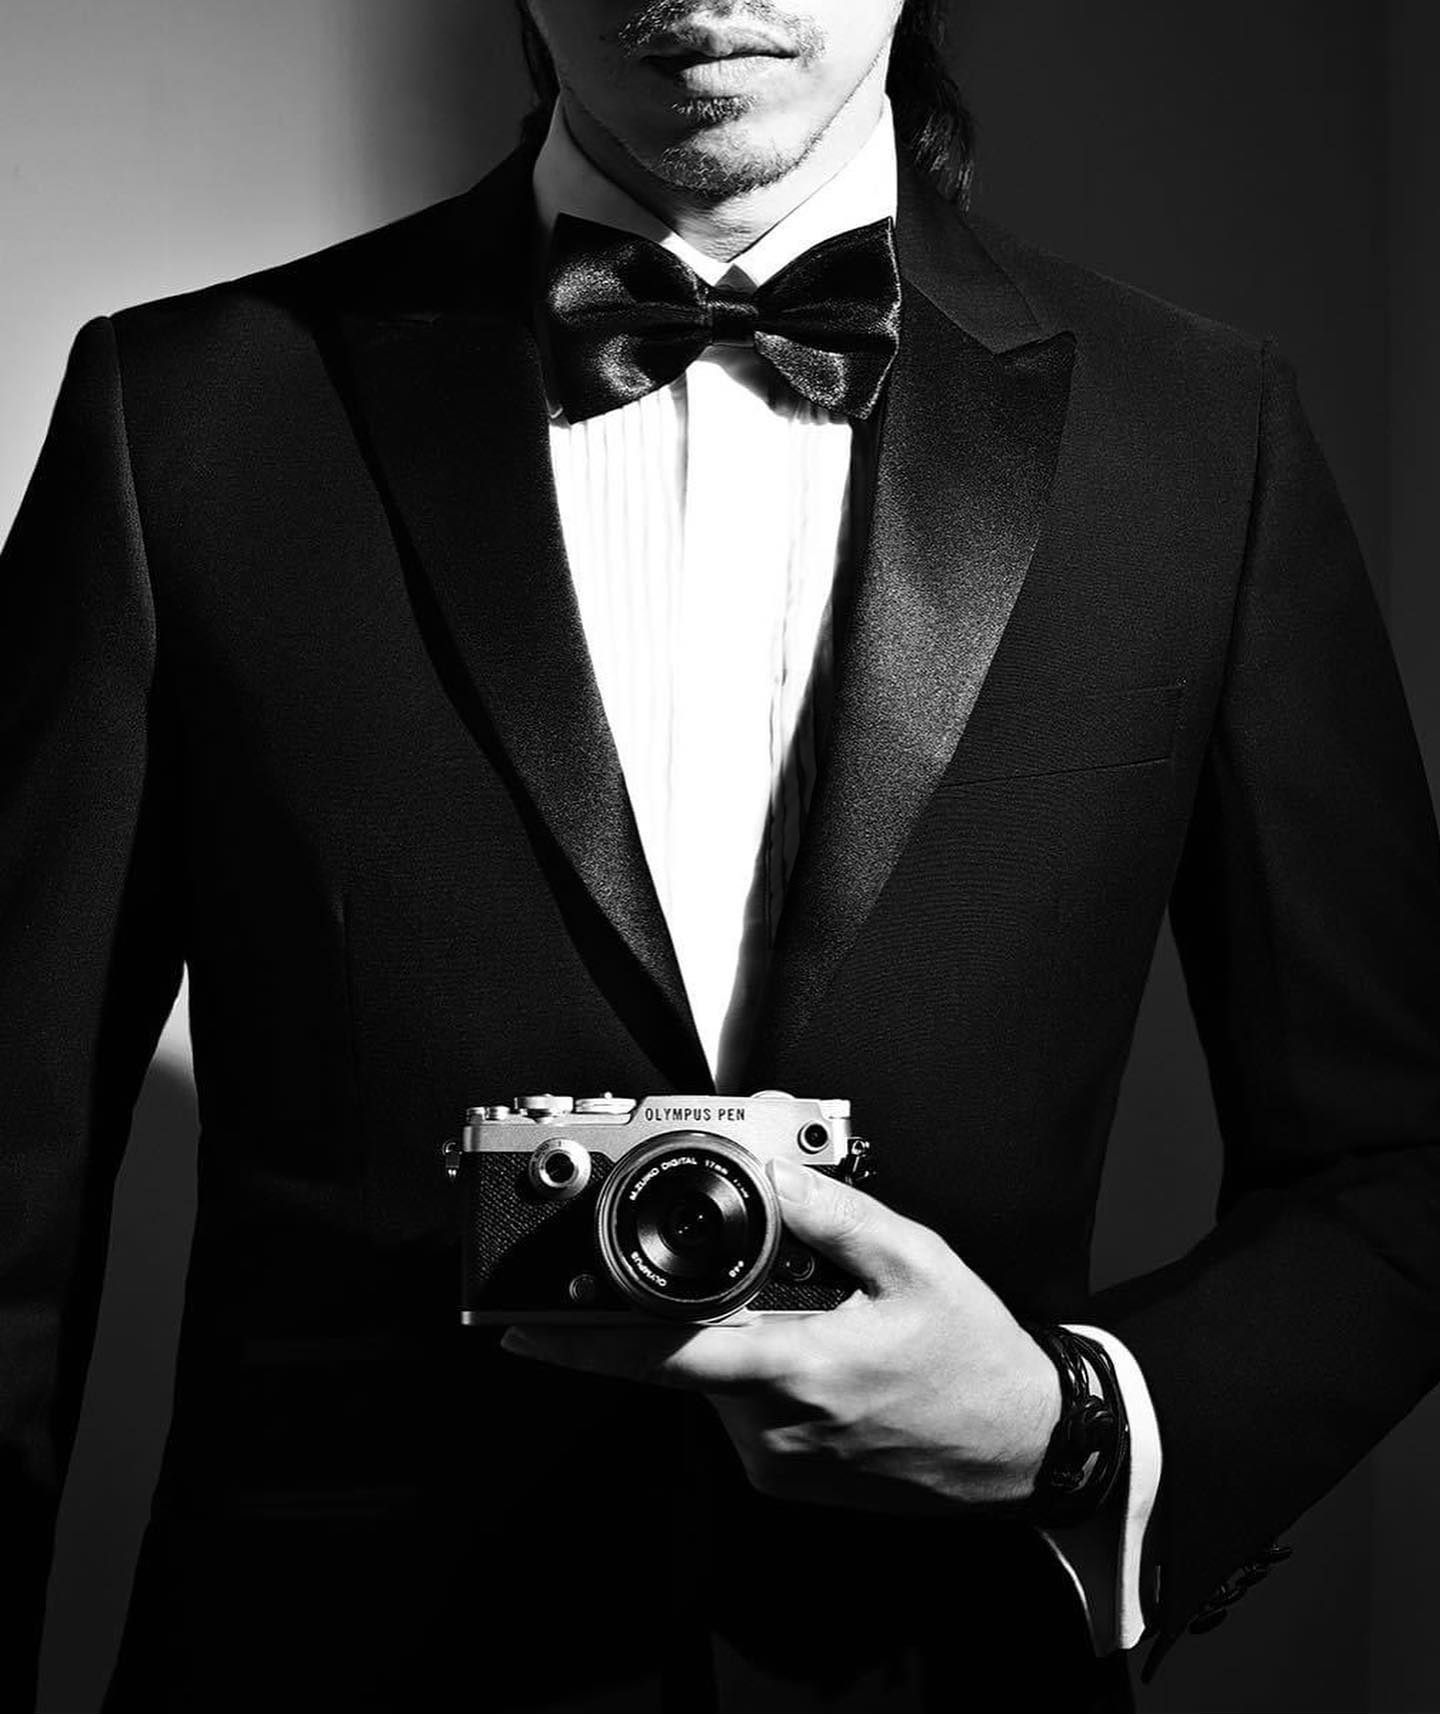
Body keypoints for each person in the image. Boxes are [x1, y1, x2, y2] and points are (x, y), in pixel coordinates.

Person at [1, 1, 1438, 1709]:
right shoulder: (182, 414)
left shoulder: (1204, 433)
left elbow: (1406, 1155)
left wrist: (1075, 1419)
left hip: (933, 1660)